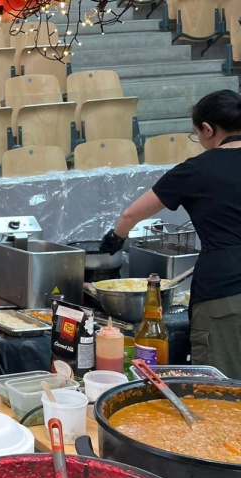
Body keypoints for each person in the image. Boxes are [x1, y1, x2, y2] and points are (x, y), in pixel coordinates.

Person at [101, 89, 241, 379]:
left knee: (222, 390)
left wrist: (116, 238)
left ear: (207, 128)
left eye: (197, 134)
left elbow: (131, 214)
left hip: (224, 291)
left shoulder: (197, 169)